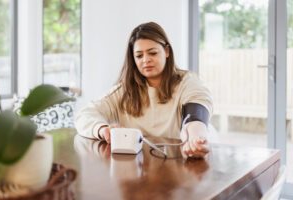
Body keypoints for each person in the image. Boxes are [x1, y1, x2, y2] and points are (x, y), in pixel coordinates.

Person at [75, 22, 213, 158]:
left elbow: (195, 117)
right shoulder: (124, 91)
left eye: (152, 53)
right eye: (139, 56)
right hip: (134, 170)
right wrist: (101, 129)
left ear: (166, 51)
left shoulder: (188, 82)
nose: (146, 60)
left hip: (175, 166)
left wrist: (196, 138)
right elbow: (84, 115)